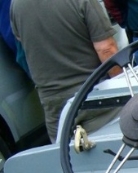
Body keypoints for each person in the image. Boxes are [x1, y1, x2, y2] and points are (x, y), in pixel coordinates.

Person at [11, 0, 122, 143]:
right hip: (97, 100)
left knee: (66, 153)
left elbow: (22, 40)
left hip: (55, 108)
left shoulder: (16, 5)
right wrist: (123, 88)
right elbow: (106, 49)